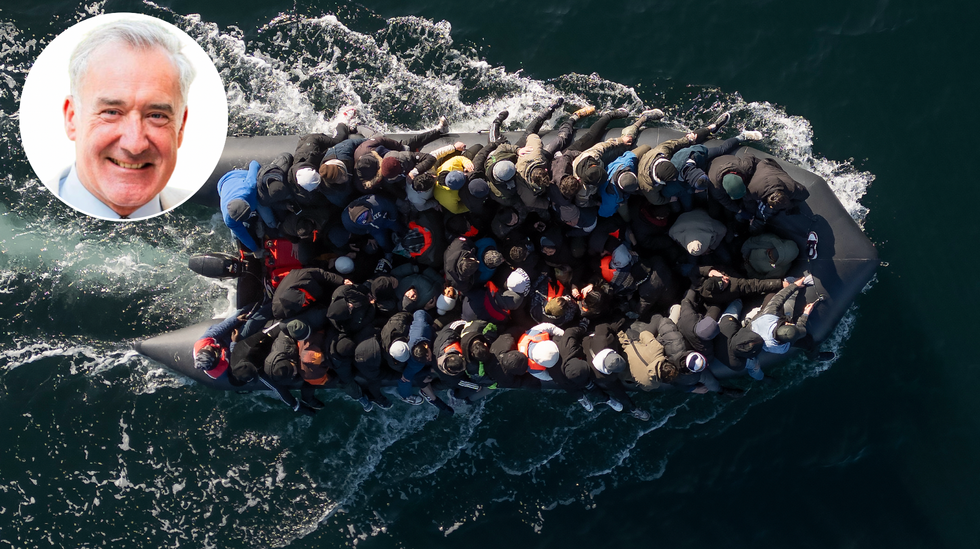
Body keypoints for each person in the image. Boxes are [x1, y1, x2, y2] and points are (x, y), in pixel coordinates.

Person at [57, 18, 196, 219]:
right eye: (111, 112)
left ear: (180, 127)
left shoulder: (212, 215)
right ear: (72, 118)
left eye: (156, 116)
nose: (134, 145)